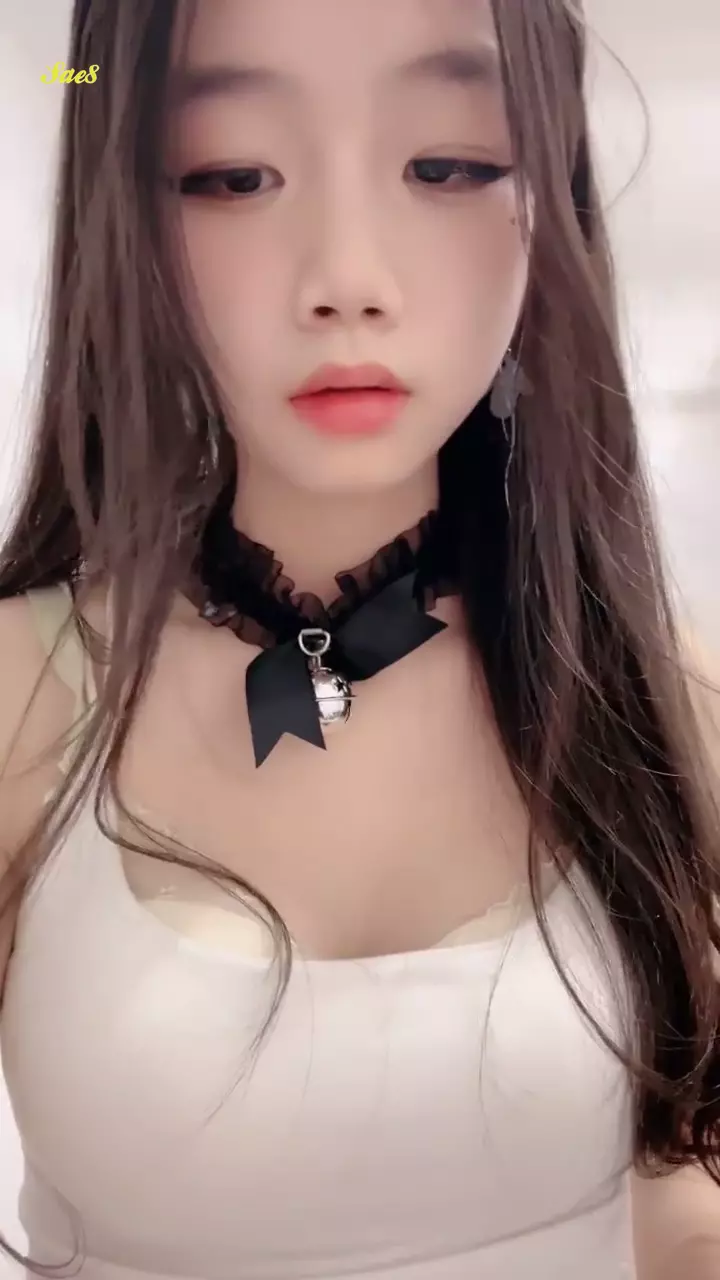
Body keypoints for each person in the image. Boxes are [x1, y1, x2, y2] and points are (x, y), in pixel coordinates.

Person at [0, 0, 718, 1276]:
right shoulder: (22, 694)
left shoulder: (667, 694)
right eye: (232, 174)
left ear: (550, 193)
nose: (346, 279)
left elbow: (680, 1196)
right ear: (124, 210)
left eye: (447, 163)